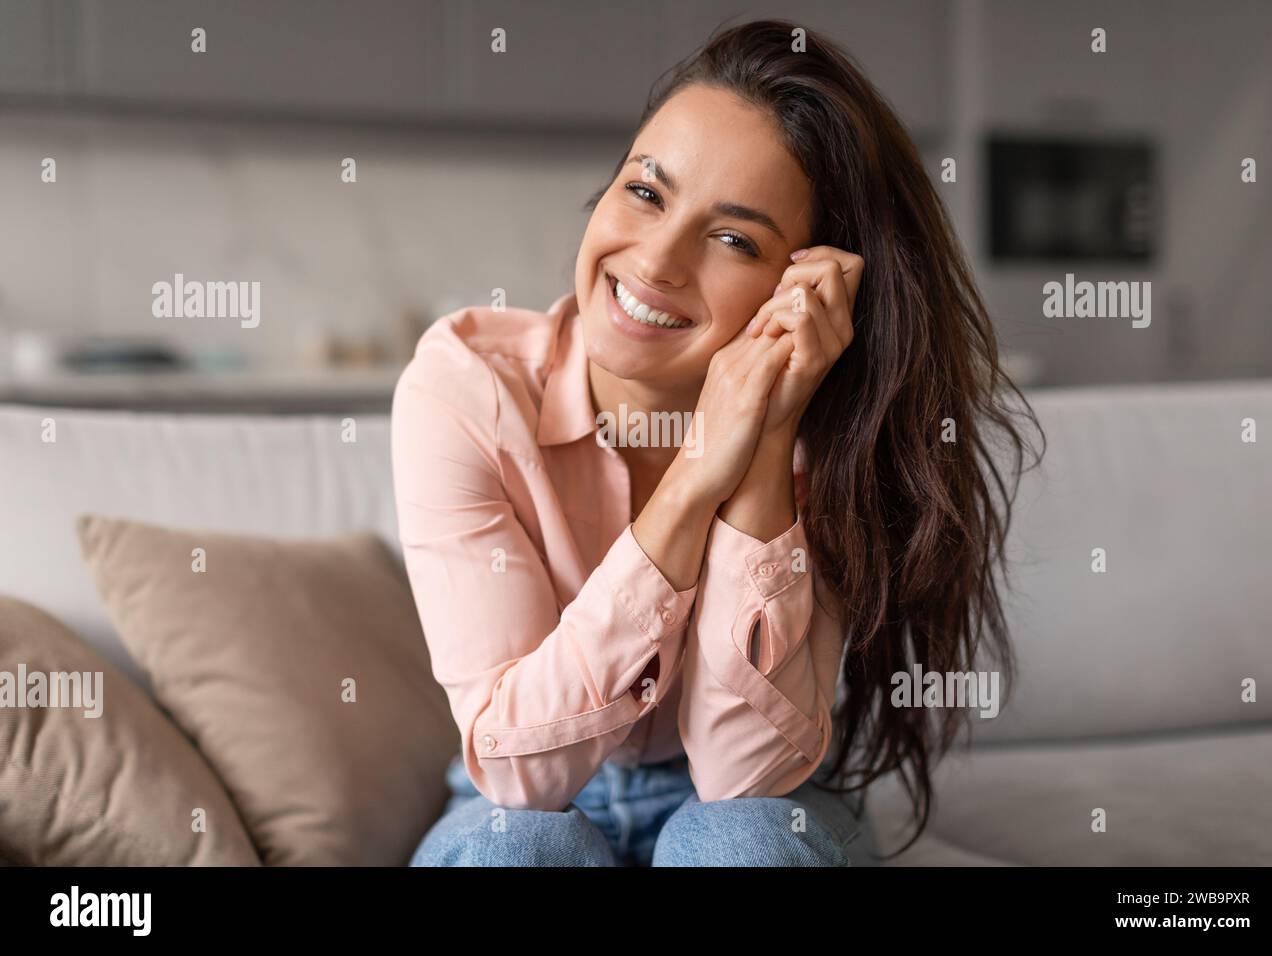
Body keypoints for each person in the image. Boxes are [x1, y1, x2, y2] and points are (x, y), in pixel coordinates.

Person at [394, 18, 1042, 866]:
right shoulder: (469, 386)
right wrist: (697, 474)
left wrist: (768, 434)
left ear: (803, 287)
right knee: (510, 846)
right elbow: (521, 773)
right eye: (646, 192)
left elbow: (745, 772)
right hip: (531, 789)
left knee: (742, 842)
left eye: (735, 239)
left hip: (756, 802)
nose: (657, 261)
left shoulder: (835, 436)